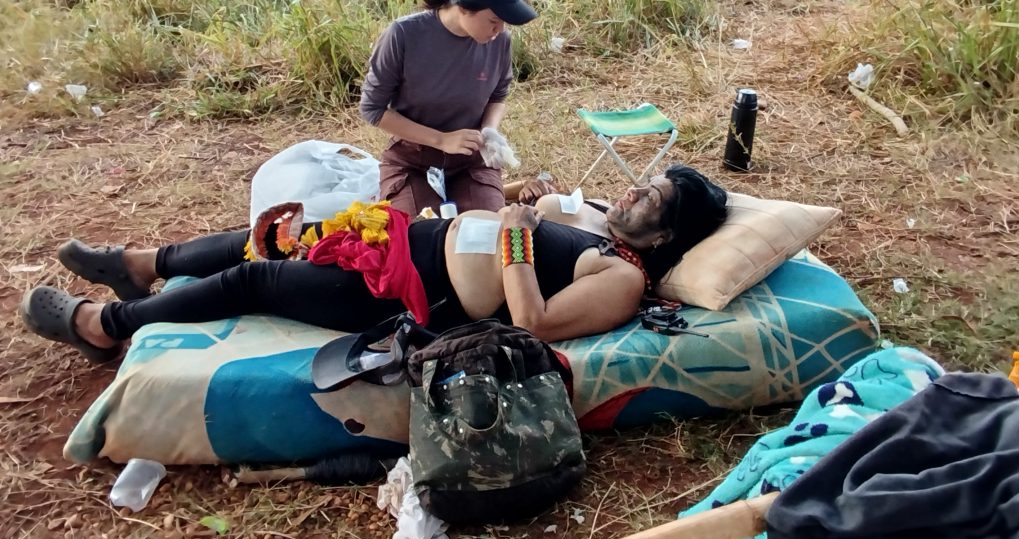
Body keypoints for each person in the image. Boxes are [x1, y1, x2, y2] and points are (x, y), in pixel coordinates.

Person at [21, 166, 729, 363]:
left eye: (653, 196)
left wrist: (515, 235)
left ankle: (105, 325)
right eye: (646, 181)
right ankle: (137, 264)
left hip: (413, 294)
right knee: (277, 234)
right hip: (407, 237)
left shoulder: (626, 280)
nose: (634, 190)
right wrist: (526, 197)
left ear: (667, 235)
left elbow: (532, 322)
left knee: (256, 281)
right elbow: (508, 218)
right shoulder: (600, 219)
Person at [360, 0, 537, 217]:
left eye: (504, 23)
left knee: (485, 232)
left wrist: (489, 131)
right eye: (493, 20)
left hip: (471, 160)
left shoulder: (500, 42)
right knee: (424, 236)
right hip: (412, 160)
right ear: (464, 8)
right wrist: (441, 140)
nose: (499, 29)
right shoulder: (404, 35)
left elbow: (498, 95)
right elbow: (373, 109)